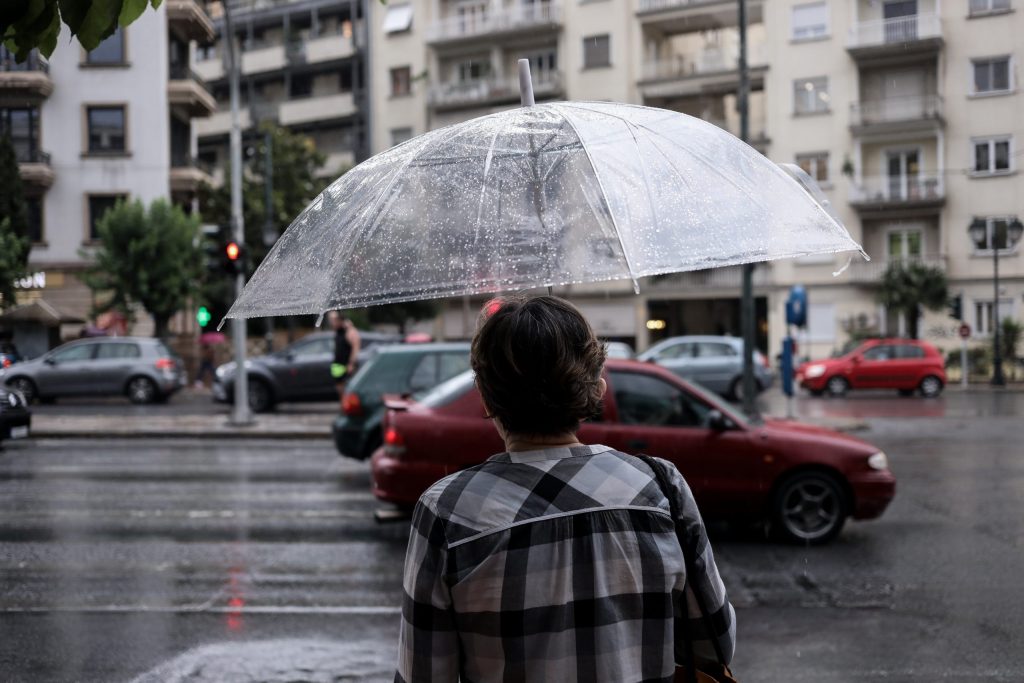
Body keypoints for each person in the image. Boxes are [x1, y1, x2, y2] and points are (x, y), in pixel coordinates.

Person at [395, 295, 735, 683]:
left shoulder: (447, 512)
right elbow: (715, 644)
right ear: (597, 386)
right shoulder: (661, 487)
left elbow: (422, 673)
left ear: (486, 397)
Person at [329, 311, 360, 410]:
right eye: (331, 320)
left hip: (346, 365)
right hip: (337, 365)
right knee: (339, 388)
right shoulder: (337, 331)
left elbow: (356, 346)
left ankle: (348, 407)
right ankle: (344, 406)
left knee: (348, 388)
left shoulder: (348, 331)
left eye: (334, 320)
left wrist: (351, 363)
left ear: (340, 321)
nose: (332, 322)